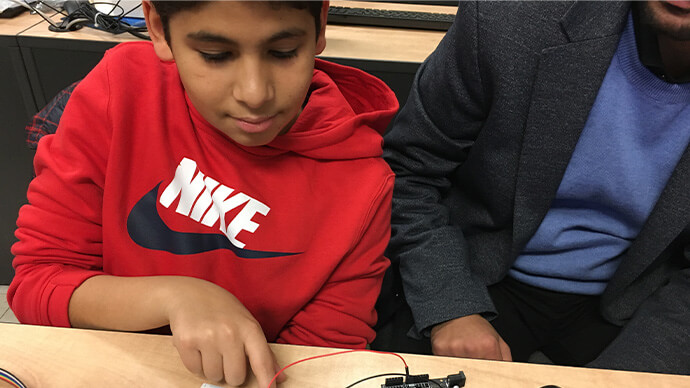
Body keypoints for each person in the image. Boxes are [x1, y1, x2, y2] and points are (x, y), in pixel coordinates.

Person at [8, 1, 398, 387]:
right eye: (215, 56)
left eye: (283, 53)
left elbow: (322, 359)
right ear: (159, 28)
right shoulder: (121, 88)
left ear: (320, 27)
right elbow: (37, 282)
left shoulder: (362, 183)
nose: (254, 93)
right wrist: (176, 297)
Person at [373, 0, 690, 375]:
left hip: (642, 300)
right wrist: (450, 305)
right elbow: (410, 170)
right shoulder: (508, 17)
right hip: (476, 272)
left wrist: (635, 370)